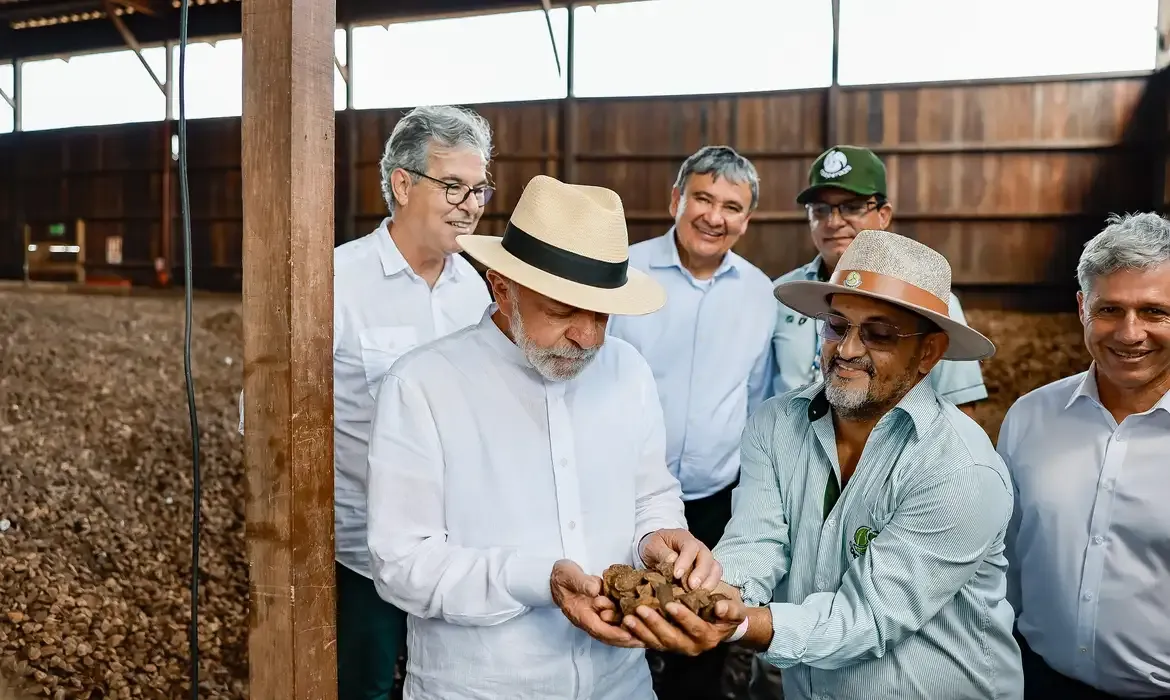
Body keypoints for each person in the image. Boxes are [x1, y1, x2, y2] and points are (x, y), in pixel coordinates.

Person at [621, 229, 1025, 700]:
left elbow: (869, 617)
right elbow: (756, 542)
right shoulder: (775, 424)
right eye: (836, 326)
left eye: (878, 333)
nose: (847, 350)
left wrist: (742, 624)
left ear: (929, 353)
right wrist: (715, 596)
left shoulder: (961, 470)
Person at [364, 174, 722, 700]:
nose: (588, 337)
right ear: (501, 288)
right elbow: (401, 563)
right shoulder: (422, 385)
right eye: (561, 311)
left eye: (602, 314)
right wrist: (537, 579)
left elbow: (651, 493)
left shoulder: (629, 371)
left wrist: (658, 536)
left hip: (622, 685)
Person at [238, 104, 496, 700]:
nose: (471, 204)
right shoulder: (334, 281)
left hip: (458, 550)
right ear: (402, 185)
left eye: (479, 188)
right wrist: (295, 534)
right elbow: (265, 414)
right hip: (360, 554)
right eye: (453, 186)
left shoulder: (475, 291)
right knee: (366, 687)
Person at [607, 145, 775, 699]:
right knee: (613, 621)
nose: (714, 216)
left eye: (732, 206)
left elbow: (756, 394)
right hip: (620, 491)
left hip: (713, 497)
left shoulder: (761, 293)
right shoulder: (623, 271)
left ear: (746, 220)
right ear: (676, 199)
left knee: (700, 634)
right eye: (703, 198)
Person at [997, 212, 1170, 700]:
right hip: (1036, 681)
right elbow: (1003, 559)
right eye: (1109, 309)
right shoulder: (1029, 418)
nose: (1130, 333)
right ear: (1081, 308)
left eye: (1155, 312)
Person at [771, 145, 987, 415]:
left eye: (852, 207)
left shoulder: (930, 300)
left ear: (883, 215)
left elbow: (961, 410)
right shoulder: (780, 295)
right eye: (820, 209)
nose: (833, 222)